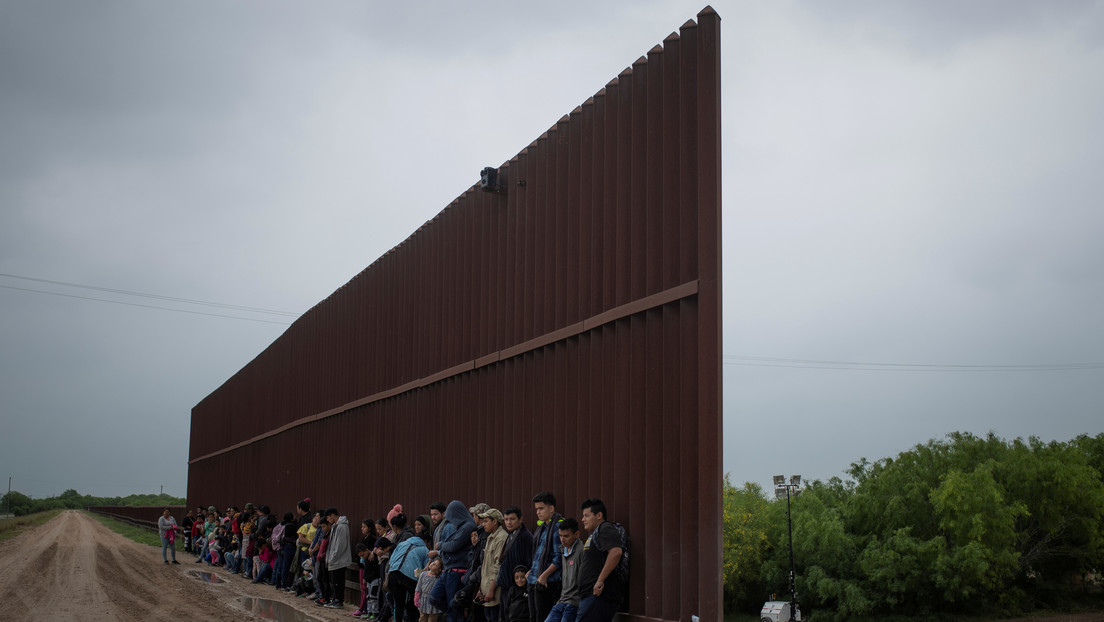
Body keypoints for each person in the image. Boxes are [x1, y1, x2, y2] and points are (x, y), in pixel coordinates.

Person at [576, 499, 624, 622]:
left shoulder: (605, 528)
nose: (583, 519)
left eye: (587, 515)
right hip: (590, 595)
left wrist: (600, 580)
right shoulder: (595, 534)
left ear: (599, 515)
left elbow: (616, 552)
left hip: (599, 595)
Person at [433, 500, 476, 622]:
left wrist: (440, 545)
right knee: (434, 598)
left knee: (454, 609)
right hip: (448, 569)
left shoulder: (468, 526)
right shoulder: (460, 527)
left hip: (457, 570)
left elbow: (453, 546)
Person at [528, 492, 564, 622]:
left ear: (551, 508)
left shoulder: (558, 527)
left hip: (547, 582)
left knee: (543, 618)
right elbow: (538, 556)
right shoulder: (542, 528)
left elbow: (558, 557)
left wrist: (544, 575)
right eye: (536, 509)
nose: (538, 512)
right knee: (533, 617)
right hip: (533, 580)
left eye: (541, 508)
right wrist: (531, 571)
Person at [391, 518, 431, 622]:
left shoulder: (402, 544)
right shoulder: (425, 549)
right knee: (411, 602)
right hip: (409, 577)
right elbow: (426, 568)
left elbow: (392, 559)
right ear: (426, 541)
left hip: (393, 573)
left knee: (398, 604)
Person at [546, 518, 583, 622]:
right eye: (560, 536)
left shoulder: (581, 552)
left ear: (577, 534)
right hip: (561, 600)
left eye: (566, 536)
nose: (562, 539)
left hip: (573, 602)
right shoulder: (563, 549)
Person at [495, 506, 533, 608]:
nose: (508, 522)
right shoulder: (511, 534)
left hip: (517, 588)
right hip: (507, 586)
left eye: (512, 519)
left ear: (520, 519)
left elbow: (529, 562)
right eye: (506, 519)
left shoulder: (525, 537)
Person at [477, 508, 508, 621]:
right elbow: (486, 567)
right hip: (486, 589)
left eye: (486, 521)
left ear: (495, 521)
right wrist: (481, 589)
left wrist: (490, 590)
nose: (483, 524)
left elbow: (498, 566)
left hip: (495, 591)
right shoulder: (490, 537)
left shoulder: (501, 538)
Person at [324, 507, 351, 609]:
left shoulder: (342, 527)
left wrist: (333, 558)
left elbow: (340, 545)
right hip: (334, 560)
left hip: (339, 560)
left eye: (328, 517)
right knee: (334, 581)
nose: (327, 520)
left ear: (333, 515)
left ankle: (339, 601)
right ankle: (335, 599)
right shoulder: (335, 526)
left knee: (338, 581)